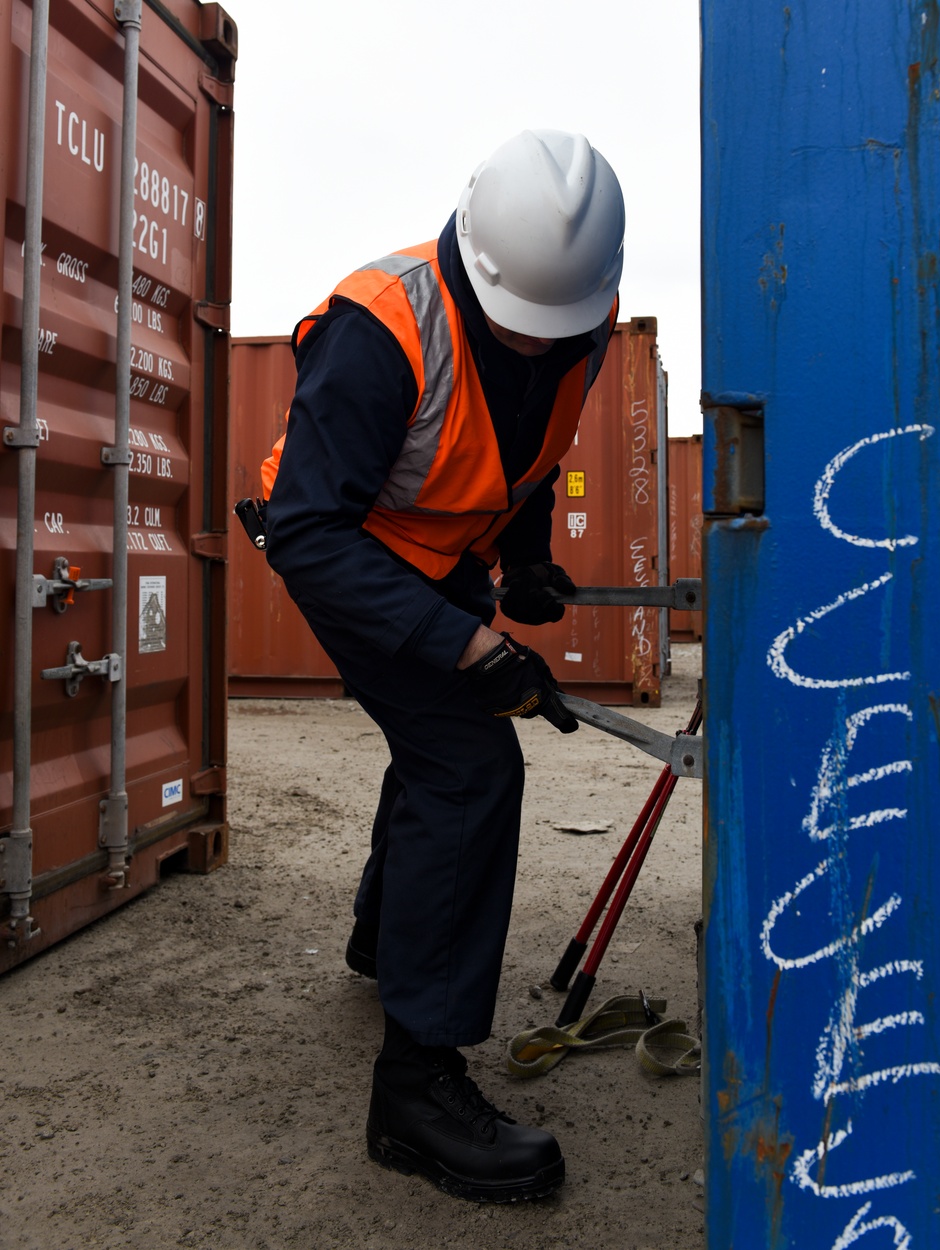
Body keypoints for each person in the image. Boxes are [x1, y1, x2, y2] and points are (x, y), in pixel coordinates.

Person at [262, 129, 625, 1202]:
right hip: (349, 560)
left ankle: (389, 941)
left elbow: (534, 453)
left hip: (446, 557)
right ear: (474, 261)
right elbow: (308, 533)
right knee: (470, 767)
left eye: (546, 334)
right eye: (515, 328)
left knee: (435, 752)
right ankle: (415, 1088)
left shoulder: (580, 321)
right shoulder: (381, 326)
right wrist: (470, 645)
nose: (531, 350)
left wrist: (527, 564)